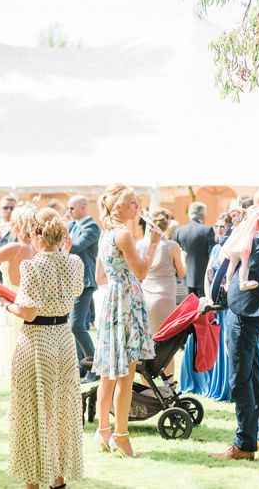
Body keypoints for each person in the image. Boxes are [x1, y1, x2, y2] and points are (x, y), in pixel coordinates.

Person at [1, 207, 84, 489]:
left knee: (31, 411)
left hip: (37, 341)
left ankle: (33, 481)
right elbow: (73, 292)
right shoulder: (74, 263)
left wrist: (10, 306)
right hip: (63, 339)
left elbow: (29, 311)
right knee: (60, 411)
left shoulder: (32, 265)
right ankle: (57, 478)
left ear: (36, 235)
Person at [213, 200, 259, 460]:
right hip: (241, 307)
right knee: (253, 376)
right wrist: (237, 223)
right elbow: (229, 248)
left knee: (239, 378)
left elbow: (256, 264)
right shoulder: (251, 229)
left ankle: (244, 444)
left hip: (247, 311)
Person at [92, 184, 159, 458]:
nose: (137, 207)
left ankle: (103, 430)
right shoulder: (123, 235)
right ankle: (121, 435)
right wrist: (153, 244)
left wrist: (118, 284)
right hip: (127, 301)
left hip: (113, 300)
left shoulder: (105, 234)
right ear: (118, 206)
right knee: (125, 375)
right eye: (132, 202)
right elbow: (141, 272)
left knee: (109, 372)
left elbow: (99, 277)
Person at [0, 205, 36, 379]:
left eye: (12, 223)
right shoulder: (36, 248)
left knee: (11, 352)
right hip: (28, 301)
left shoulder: (16, 247)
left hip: (9, 301)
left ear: (19, 225)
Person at [139, 208, 185, 376]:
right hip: (165, 298)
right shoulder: (172, 246)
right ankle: (169, 385)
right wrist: (183, 259)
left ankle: (146, 386)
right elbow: (181, 272)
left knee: (147, 344)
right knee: (167, 344)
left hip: (146, 296)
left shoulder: (141, 245)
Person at [66, 195, 101, 383]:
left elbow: (75, 247)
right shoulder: (72, 226)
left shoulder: (91, 227)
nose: (68, 212)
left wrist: (63, 236)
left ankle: (95, 367)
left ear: (82, 208)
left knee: (76, 325)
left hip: (85, 281)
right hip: (73, 281)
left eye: (71, 208)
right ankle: (82, 366)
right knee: (75, 325)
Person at [204, 212, 233, 399]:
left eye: (223, 226)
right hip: (215, 306)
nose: (219, 229)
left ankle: (229, 386)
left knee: (227, 345)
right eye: (217, 226)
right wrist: (208, 299)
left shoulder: (232, 248)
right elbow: (207, 275)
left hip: (229, 306)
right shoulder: (215, 249)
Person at [174, 201, 215, 297]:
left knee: (188, 309)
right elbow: (211, 254)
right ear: (203, 215)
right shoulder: (207, 230)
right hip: (203, 279)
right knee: (203, 310)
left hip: (184, 279)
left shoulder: (179, 230)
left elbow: (176, 253)